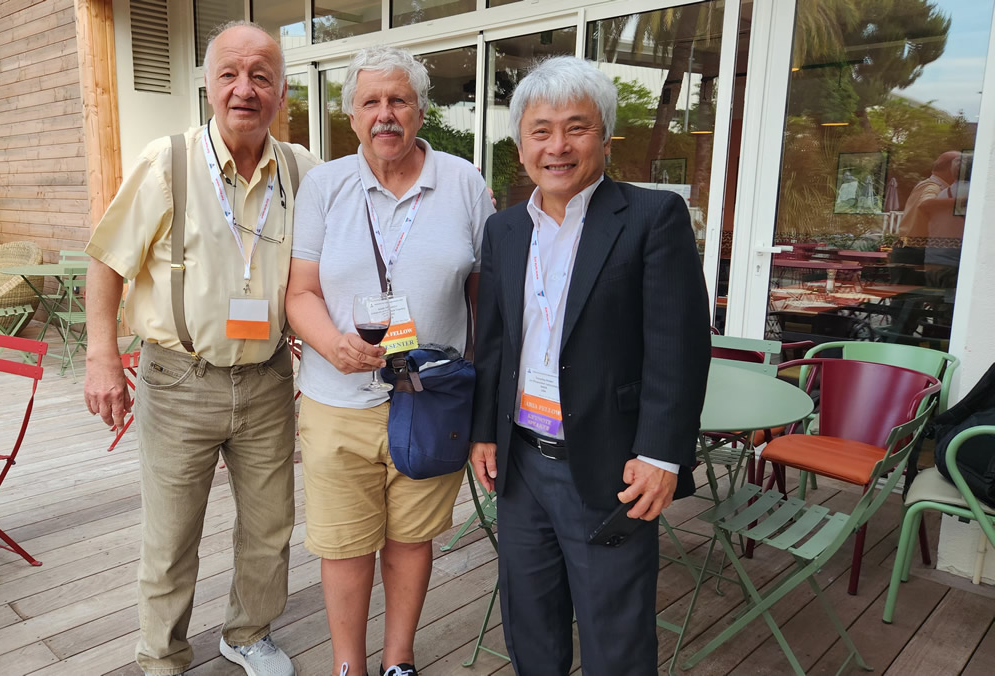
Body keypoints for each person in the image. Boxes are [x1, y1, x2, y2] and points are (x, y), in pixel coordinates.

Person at [82, 21, 317, 676]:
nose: (245, 89)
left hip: (269, 378)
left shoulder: (302, 169)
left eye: (261, 76)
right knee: (170, 535)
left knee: (270, 526)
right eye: (229, 75)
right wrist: (102, 356)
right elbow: (105, 262)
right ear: (208, 86)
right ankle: (162, 656)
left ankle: (248, 633)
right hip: (178, 379)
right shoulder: (169, 162)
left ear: (281, 92)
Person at [468, 56, 710, 675]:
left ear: (605, 138)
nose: (557, 146)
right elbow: (493, 343)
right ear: (520, 143)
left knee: (616, 639)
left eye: (576, 128)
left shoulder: (652, 217)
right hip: (521, 464)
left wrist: (662, 456)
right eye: (541, 130)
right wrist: (484, 431)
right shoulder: (503, 231)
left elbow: (678, 348)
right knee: (530, 623)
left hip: (609, 466)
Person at [285, 46, 494, 676]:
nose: (385, 114)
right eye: (370, 101)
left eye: (399, 100)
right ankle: (348, 666)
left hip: (431, 402)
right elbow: (299, 292)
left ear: (421, 111)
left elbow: (485, 301)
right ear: (351, 115)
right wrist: (332, 344)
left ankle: (398, 661)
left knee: (411, 539)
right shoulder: (325, 185)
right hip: (337, 402)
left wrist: (477, 392)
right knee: (346, 547)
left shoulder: (463, 183)